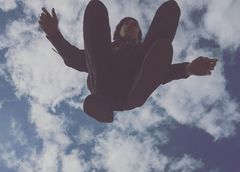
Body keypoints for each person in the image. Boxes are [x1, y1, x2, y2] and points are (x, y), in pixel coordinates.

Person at [39, 0, 217, 123]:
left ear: (139, 34)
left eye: (135, 25)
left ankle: (132, 95)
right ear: (119, 31)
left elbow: (161, 71)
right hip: (103, 85)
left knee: (169, 13)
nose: (132, 25)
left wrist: (188, 68)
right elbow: (74, 58)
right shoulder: (107, 49)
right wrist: (54, 35)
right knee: (96, 10)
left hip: (131, 90)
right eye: (127, 24)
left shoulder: (142, 50)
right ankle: (102, 101)